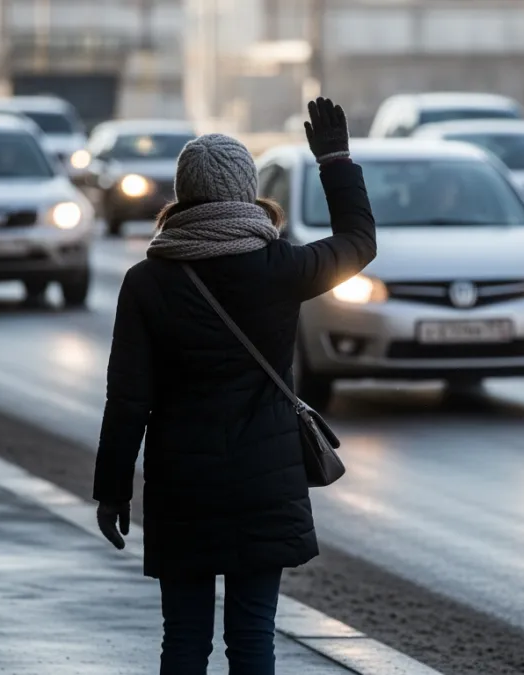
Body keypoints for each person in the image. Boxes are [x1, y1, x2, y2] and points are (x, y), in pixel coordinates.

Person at [92, 98, 376, 674]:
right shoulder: (281, 268)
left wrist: (112, 489)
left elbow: (128, 399)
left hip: (183, 485)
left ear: (184, 193)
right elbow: (358, 241)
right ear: (247, 191)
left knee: (185, 641)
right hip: (263, 483)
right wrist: (336, 160)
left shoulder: (147, 283)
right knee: (252, 639)